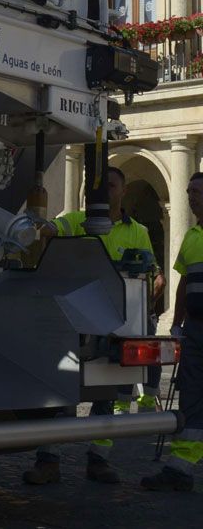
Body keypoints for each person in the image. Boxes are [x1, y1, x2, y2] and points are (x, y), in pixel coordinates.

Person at [23, 166, 165, 486]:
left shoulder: (138, 232)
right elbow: (50, 230)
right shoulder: (76, 221)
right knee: (59, 392)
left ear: (122, 191)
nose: (99, 194)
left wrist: (144, 315)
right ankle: (48, 460)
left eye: (109, 187)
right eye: (94, 188)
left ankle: (99, 460)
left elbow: (151, 276)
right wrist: (37, 224)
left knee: (107, 397)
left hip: (115, 326)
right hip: (71, 323)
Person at [141, 171, 203, 491]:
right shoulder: (192, 237)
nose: (191, 196)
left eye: (197, 191)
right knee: (190, 398)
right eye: (189, 191)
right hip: (194, 331)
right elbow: (182, 287)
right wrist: (176, 323)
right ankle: (180, 469)